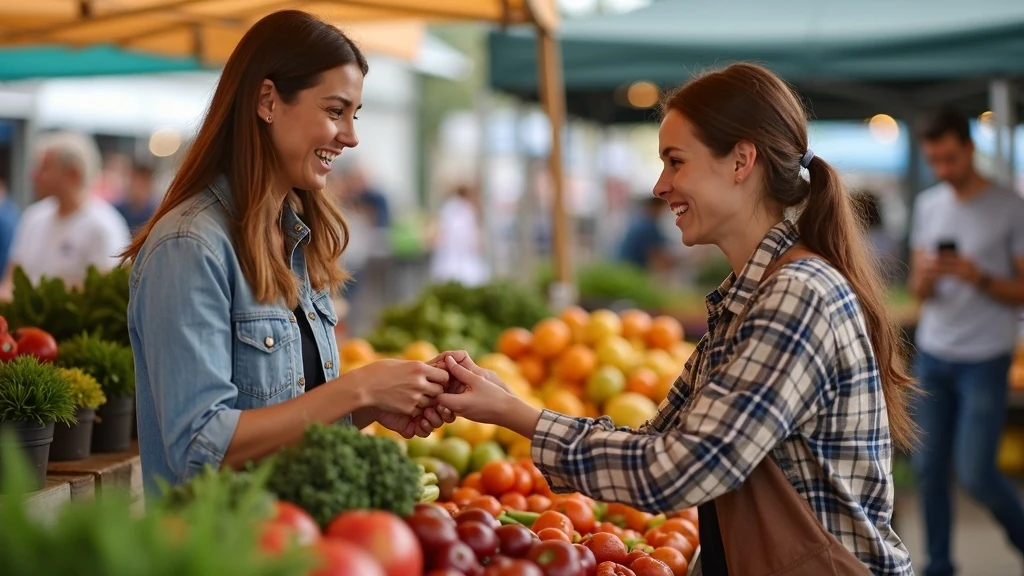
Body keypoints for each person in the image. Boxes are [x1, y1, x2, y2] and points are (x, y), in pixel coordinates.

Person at [427, 63, 918, 575]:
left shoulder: (796, 296)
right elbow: (656, 443)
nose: (661, 186)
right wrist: (508, 404)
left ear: (741, 161)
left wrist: (518, 416)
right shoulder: (747, 298)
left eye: (675, 162)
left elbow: (679, 471)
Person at [119, 10, 453, 496]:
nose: (351, 136)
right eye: (335, 111)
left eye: (354, 115)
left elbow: (288, 417)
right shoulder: (188, 247)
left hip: (294, 532)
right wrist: (357, 388)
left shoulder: (295, 238)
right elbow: (198, 447)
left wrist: (370, 405)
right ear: (268, 100)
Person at [907, 106, 1024, 576]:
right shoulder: (929, 205)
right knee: (928, 469)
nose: (942, 169)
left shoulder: (1010, 206)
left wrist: (979, 277)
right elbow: (917, 289)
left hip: (986, 357)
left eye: (950, 158)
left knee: (976, 474)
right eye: (934, 160)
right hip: (934, 352)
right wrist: (928, 277)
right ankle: (939, 565)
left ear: (970, 148)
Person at [0, 131, 131, 296]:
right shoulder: (33, 217)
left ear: (72, 173)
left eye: (44, 168)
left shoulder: (104, 225)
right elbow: (11, 279)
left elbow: (104, 291)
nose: (34, 176)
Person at [429, 184, 490, 287]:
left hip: (450, 263)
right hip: (462, 264)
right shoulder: (466, 211)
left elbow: (440, 234)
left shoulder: (449, 209)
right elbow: (473, 240)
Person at [617, 195, 672, 271]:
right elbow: (656, 255)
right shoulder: (647, 225)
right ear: (655, 206)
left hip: (625, 267)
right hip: (631, 268)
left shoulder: (641, 221)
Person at [116, 161, 159, 236]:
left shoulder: (155, 214)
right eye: (135, 181)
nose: (138, 186)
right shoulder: (118, 211)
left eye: (143, 182)